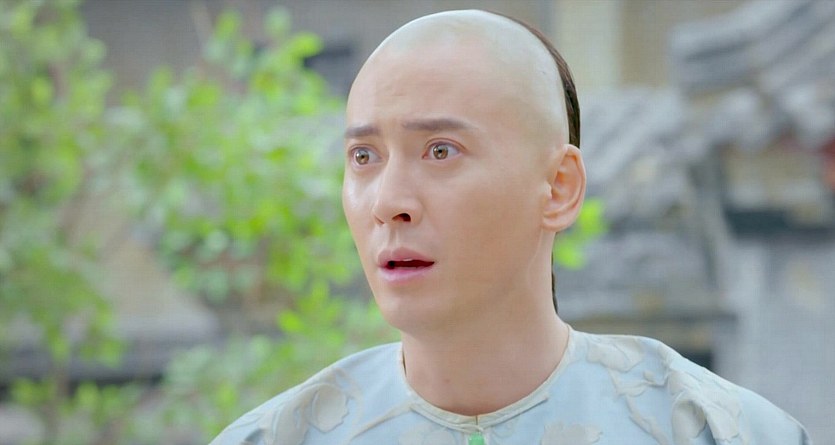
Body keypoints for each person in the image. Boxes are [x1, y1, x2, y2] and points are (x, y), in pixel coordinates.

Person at [210, 10, 811, 445]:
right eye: (364, 157)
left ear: (559, 187)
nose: (388, 202)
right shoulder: (278, 436)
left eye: (440, 151)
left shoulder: (715, 431)